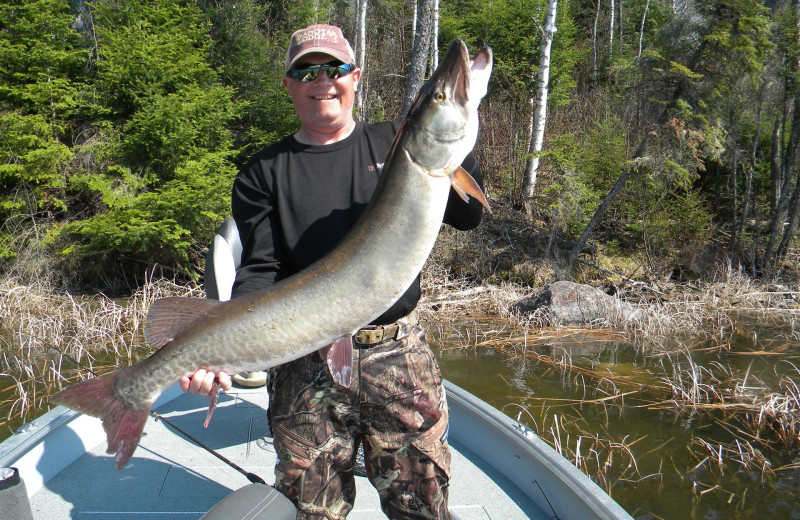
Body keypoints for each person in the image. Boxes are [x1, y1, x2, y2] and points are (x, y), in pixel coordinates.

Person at [180, 24, 484, 520]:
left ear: (356, 76)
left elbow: (469, 217)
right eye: (306, 70)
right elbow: (260, 270)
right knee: (313, 510)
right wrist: (218, 348)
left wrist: (456, 146)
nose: (323, 80)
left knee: (424, 507)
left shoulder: (395, 144)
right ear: (289, 84)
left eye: (335, 68)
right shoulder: (263, 171)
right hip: (305, 360)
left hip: (397, 354)